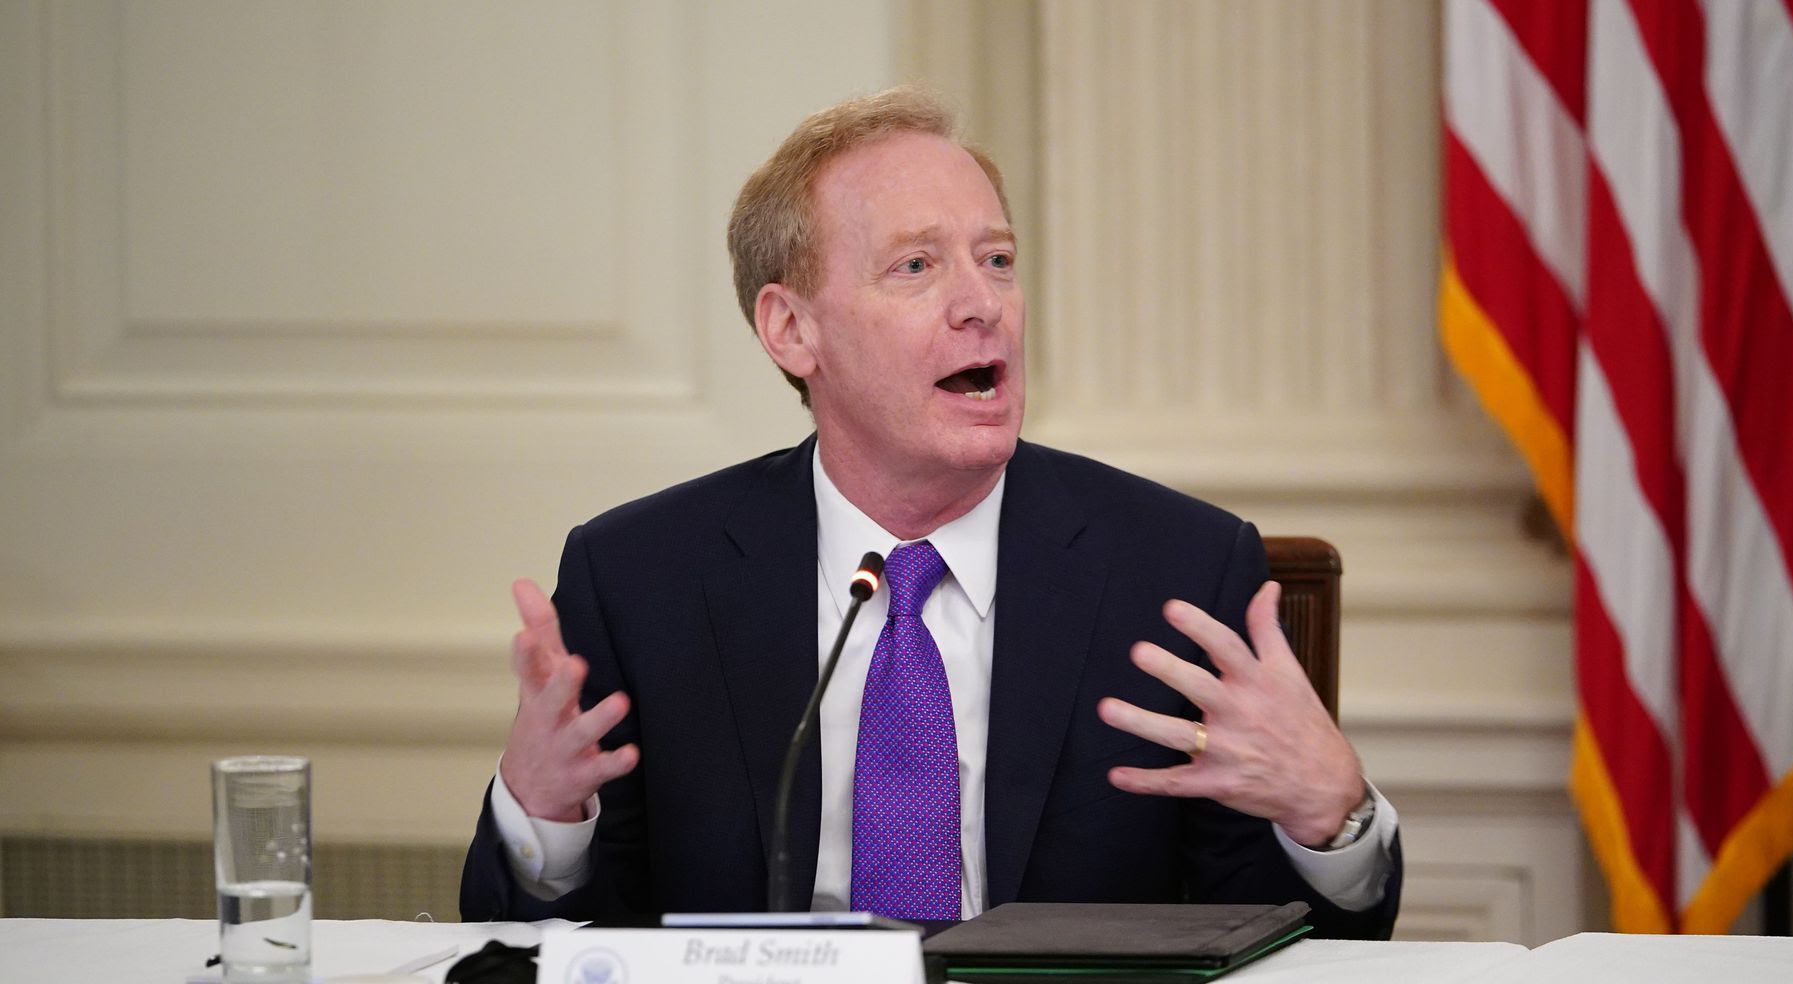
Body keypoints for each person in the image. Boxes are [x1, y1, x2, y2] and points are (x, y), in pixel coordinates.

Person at [460, 88, 1402, 937]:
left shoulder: (1178, 571)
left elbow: (1280, 942)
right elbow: (562, 942)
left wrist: (1332, 818)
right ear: (792, 329)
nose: (982, 303)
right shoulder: (643, 579)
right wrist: (543, 818)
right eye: (916, 265)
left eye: (998, 260)